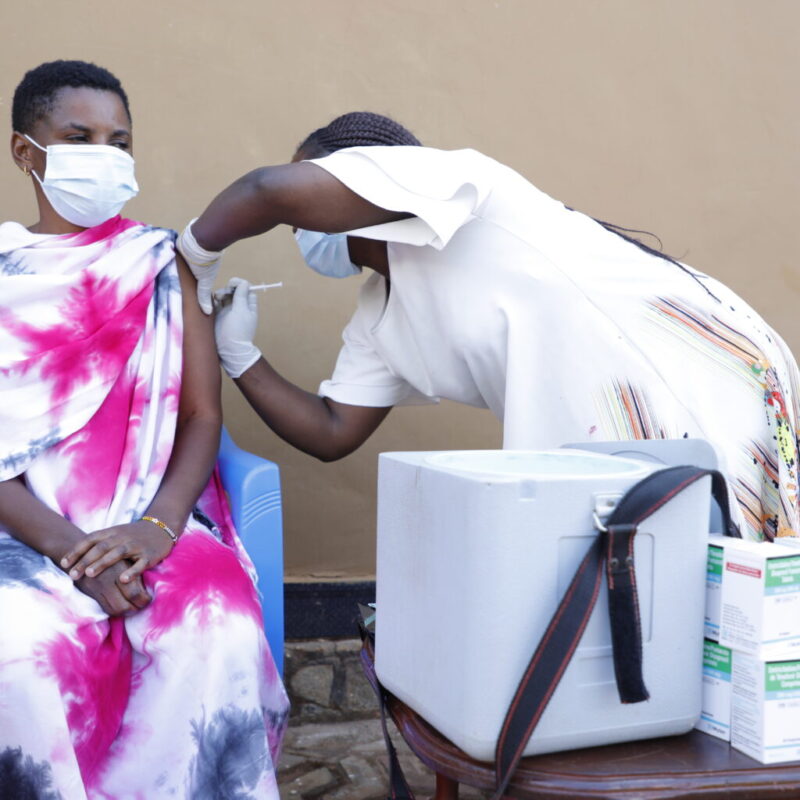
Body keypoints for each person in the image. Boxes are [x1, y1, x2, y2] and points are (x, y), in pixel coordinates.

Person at [178, 111, 800, 542]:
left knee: (720, 565)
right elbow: (333, 430)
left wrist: (194, 254)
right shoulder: (379, 312)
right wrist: (241, 355)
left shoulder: (453, 182)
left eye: (313, 187)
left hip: (682, 360)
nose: (299, 221)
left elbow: (267, 189)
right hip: (606, 416)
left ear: (367, 174)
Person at [0, 60, 288, 799]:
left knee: (213, 629)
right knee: (17, 655)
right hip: (24, 533)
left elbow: (200, 416)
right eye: (79, 136)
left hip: (153, 521)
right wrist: (74, 553)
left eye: (119, 141)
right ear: (26, 152)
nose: (105, 154)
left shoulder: (163, 265)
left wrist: (157, 528)